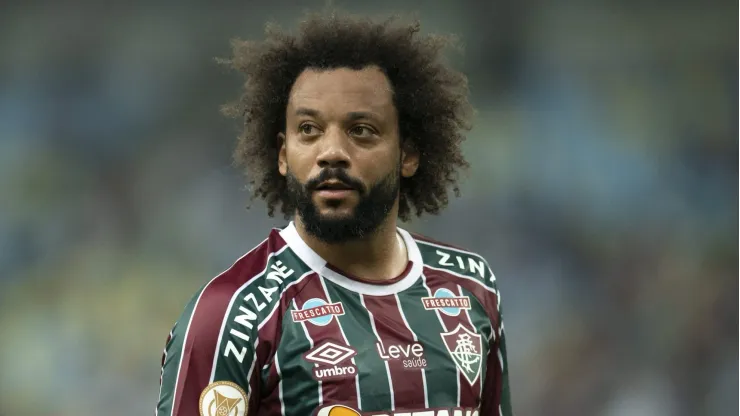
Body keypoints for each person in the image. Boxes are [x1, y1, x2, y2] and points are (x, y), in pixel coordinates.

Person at [156, 11, 513, 416]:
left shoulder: (469, 288)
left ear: (408, 154)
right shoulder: (231, 318)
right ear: (283, 154)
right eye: (308, 130)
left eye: (361, 130)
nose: (331, 153)